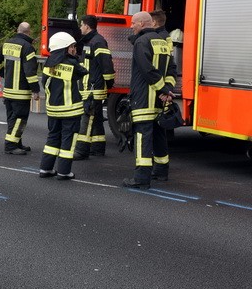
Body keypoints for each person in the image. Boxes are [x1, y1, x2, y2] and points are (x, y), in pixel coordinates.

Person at [123, 11, 174, 189]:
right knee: (159, 134)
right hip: (159, 101)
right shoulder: (163, 42)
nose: (131, 26)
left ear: (143, 24)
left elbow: (147, 70)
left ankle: (141, 178)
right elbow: (171, 70)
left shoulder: (141, 42)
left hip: (144, 98)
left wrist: (161, 88)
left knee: (142, 136)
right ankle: (161, 171)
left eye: (133, 23)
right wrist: (167, 89)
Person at [38, 31, 89, 180]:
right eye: (72, 47)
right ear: (64, 48)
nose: (74, 49)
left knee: (52, 139)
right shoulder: (72, 64)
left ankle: (45, 169)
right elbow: (84, 71)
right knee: (68, 140)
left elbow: (45, 84)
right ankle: (64, 171)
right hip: (70, 111)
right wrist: (76, 58)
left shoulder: (48, 65)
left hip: (53, 110)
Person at [0, 21, 40, 155]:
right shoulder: (27, 47)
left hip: (8, 90)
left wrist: (3, 74)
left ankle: (17, 142)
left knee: (12, 118)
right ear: (28, 32)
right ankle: (10, 145)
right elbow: (30, 72)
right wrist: (35, 90)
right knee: (20, 118)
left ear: (17, 30)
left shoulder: (7, 44)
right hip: (21, 92)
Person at [73, 15, 116, 159]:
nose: (80, 28)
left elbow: (107, 65)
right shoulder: (89, 41)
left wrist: (108, 83)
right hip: (89, 88)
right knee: (96, 119)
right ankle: (98, 148)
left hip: (94, 89)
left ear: (87, 26)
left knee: (87, 118)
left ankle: (81, 150)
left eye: (81, 25)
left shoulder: (97, 42)